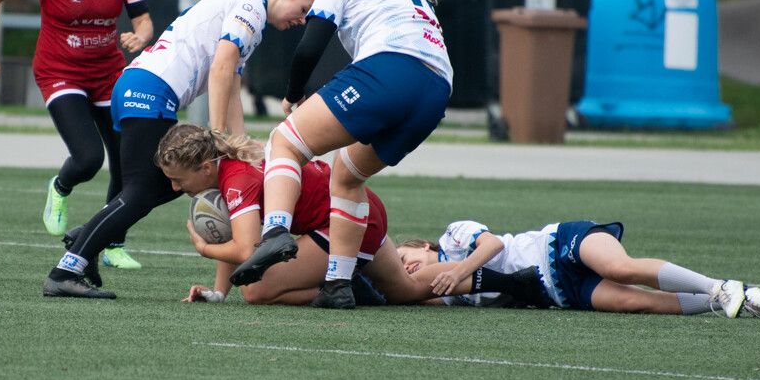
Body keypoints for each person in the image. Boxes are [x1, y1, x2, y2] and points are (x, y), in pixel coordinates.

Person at [42, 0, 323, 298]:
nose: (303, 19)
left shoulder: (251, 12)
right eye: (305, 8)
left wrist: (241, 144)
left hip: (139, 84)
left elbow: (232, 82)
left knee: (173, 183)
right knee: (148, 190)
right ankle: (64, 271)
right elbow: (220, 67)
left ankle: (89, 236)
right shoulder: (252, 6)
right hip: (150, 89)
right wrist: (219, 137)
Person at [229, 0, 454, 310]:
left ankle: (275, 232)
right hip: (437, 91)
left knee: (284, 142)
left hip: (393, 68)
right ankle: (337, 284)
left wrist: (292, 94)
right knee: (347, 178)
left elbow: (310, 47)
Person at [156, 124, 544, 307]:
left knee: (257, 291)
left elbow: (244, 251)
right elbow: (239, 243)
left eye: (177, 179)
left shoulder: (237, 180)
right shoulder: (230, 169)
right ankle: (512, 282)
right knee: (405, 293)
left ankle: (350, 282)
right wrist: (218, 293)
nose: (174, 189)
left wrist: (206, 251)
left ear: (206, 167)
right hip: (362, 210)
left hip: (343, 221)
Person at [0, 0, 152, 270]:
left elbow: (142, 18)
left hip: (108, 72)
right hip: (61, 71)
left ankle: (113, 243)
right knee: (89, 158)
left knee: (128, 161)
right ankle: (60, 187)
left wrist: (140, 36)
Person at [397, 220, 760, 317]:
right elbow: (404, 297)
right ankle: (737, 300)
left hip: (559, 245)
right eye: (402, 269)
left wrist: (459, 269)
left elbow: (493, 244)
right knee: (636, 304)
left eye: (403, 257)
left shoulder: (452, 236)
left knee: (621, 268)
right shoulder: (444, 294)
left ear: (419, 245)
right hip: (558, 291)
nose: (407, 267)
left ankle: (719, 286)